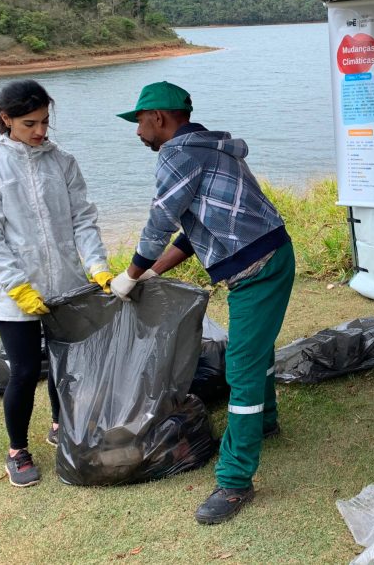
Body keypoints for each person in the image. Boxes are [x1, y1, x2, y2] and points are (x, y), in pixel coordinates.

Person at [109, 81, 295, 525]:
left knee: (242, 371)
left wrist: (130, 275)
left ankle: (234, 481)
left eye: (138, 121)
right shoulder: (211, 149)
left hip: (257, 268)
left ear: (158, 117)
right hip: (273, 253)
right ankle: (265, 422)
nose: (138, 132)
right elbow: (194, 232)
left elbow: (159, 223)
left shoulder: (178, 153)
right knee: (257, 350)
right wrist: (154, 272)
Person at [0, 79, 113, 488]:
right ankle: (17, 451)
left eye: (45, 121)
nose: (40, 132)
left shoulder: (62, 162)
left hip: (66, 283)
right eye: (29, 123)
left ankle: (62, 427)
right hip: (14, 293)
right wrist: (18, 287)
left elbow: (83, 218)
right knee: (25, 371)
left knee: (68, 367)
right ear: (5, 119)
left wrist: (97, 266)